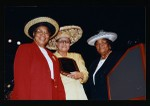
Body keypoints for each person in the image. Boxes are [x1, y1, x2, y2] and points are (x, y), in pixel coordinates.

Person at [10, 17, 66, 100]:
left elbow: (58, 82)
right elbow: (21, 80)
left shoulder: (53, 57)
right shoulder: (25, 49)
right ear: (33, 34)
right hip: (34, 94)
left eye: (46, 33)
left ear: (49, 36)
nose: (43, 34)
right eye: (39, 31)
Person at [47, 25, 89, 100]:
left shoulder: (77, 56)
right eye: (61, 41)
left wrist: (80, 75)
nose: (64, 43)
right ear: (56, 44)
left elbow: (85, 74)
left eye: (67, 41)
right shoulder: (50, 58)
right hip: (59, 94)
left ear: (70, 44)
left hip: (78, 93)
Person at [86, 30, 124, 100]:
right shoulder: (93, 64)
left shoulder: (118, 57)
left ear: (109, 45)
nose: (100, 45)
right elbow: (89, 85)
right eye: (97, 43)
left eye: (103, 42)